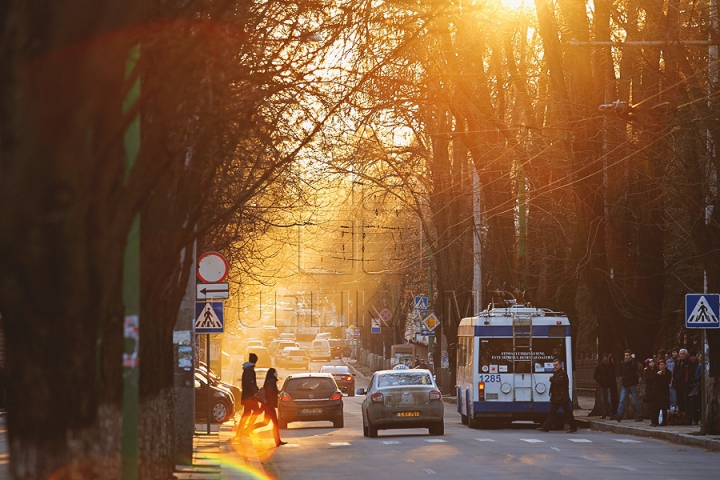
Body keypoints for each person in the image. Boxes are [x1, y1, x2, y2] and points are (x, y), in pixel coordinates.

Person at [538, 358, 577, 433]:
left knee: (567, 413)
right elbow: (553, 385)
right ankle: (545, 427)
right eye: (554, 365)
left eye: (556, 365)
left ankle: (573, 427)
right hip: (556, 397)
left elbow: (558, 382)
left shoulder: (563, 373)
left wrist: (551, 379)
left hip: (562, 397)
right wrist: (550, 391)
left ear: (560, 365)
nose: (555, 367)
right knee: (551, 413)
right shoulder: (556, 373)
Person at [256, 368, 287, 446]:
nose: (277, 374)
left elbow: (273, 392)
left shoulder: (270, 381)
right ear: (273, 373)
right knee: (275, 423)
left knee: (265, 422)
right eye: (276, 372)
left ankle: (248, 429)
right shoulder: (271, 381)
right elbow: (270, 394)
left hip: (267, 405)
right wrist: (271, 404)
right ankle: (277, 441)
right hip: (269, 406)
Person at [236, 353, 263, 436]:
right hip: (250, 397)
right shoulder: (250, 370)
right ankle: (247, 429)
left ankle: (241, 431)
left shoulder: (247, 369)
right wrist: (256, 393)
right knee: (256, 411)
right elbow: (251, 384)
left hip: (247, 396)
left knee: (246, 413)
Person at [614, 349, 643, 422]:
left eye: (627, 355)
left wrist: (633, 359)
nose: (626, 357)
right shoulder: (622, 363)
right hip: (625, 384)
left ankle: (640, 415)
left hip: (632, 383)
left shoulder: (633, 362)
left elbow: (634, 367)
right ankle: (619, 415)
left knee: (636, 400)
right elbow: (622, 372)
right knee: (621, 400)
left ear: (630, 355)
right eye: (625, 355)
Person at [593, 353, 616, 419]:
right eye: (604, 357)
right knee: (602, 400)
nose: (605, 359)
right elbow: (595, 376)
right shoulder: (599, 366)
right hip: (601, 385)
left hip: (608, 385)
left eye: (606, 357)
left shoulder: (609, 366)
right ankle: (604, 414)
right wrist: (599, 380)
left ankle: (610, 414)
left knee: (608, 400)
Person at [652, 358, 671, 426]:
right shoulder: (656, 372)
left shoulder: (668, 372)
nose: (662, 366)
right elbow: (653, 380)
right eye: (661, 365)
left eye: (663, 365)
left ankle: (664, 421)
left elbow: (667, 381)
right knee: (656, 407)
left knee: (664, 407)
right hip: (657, 392)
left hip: (664, 392)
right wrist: (658, 375)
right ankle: (655, 421)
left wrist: (662, 375)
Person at [642, 358, 657, 424]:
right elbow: (649, 379)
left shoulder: (656, 369)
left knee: (656, 406)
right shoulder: (647, 371)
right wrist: (656, 375)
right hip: (650, 390)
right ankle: (653, 420)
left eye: (653, 362)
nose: (652, 364)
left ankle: (656, 420)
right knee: (651, 406)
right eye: (650, 363)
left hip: (656, 389)